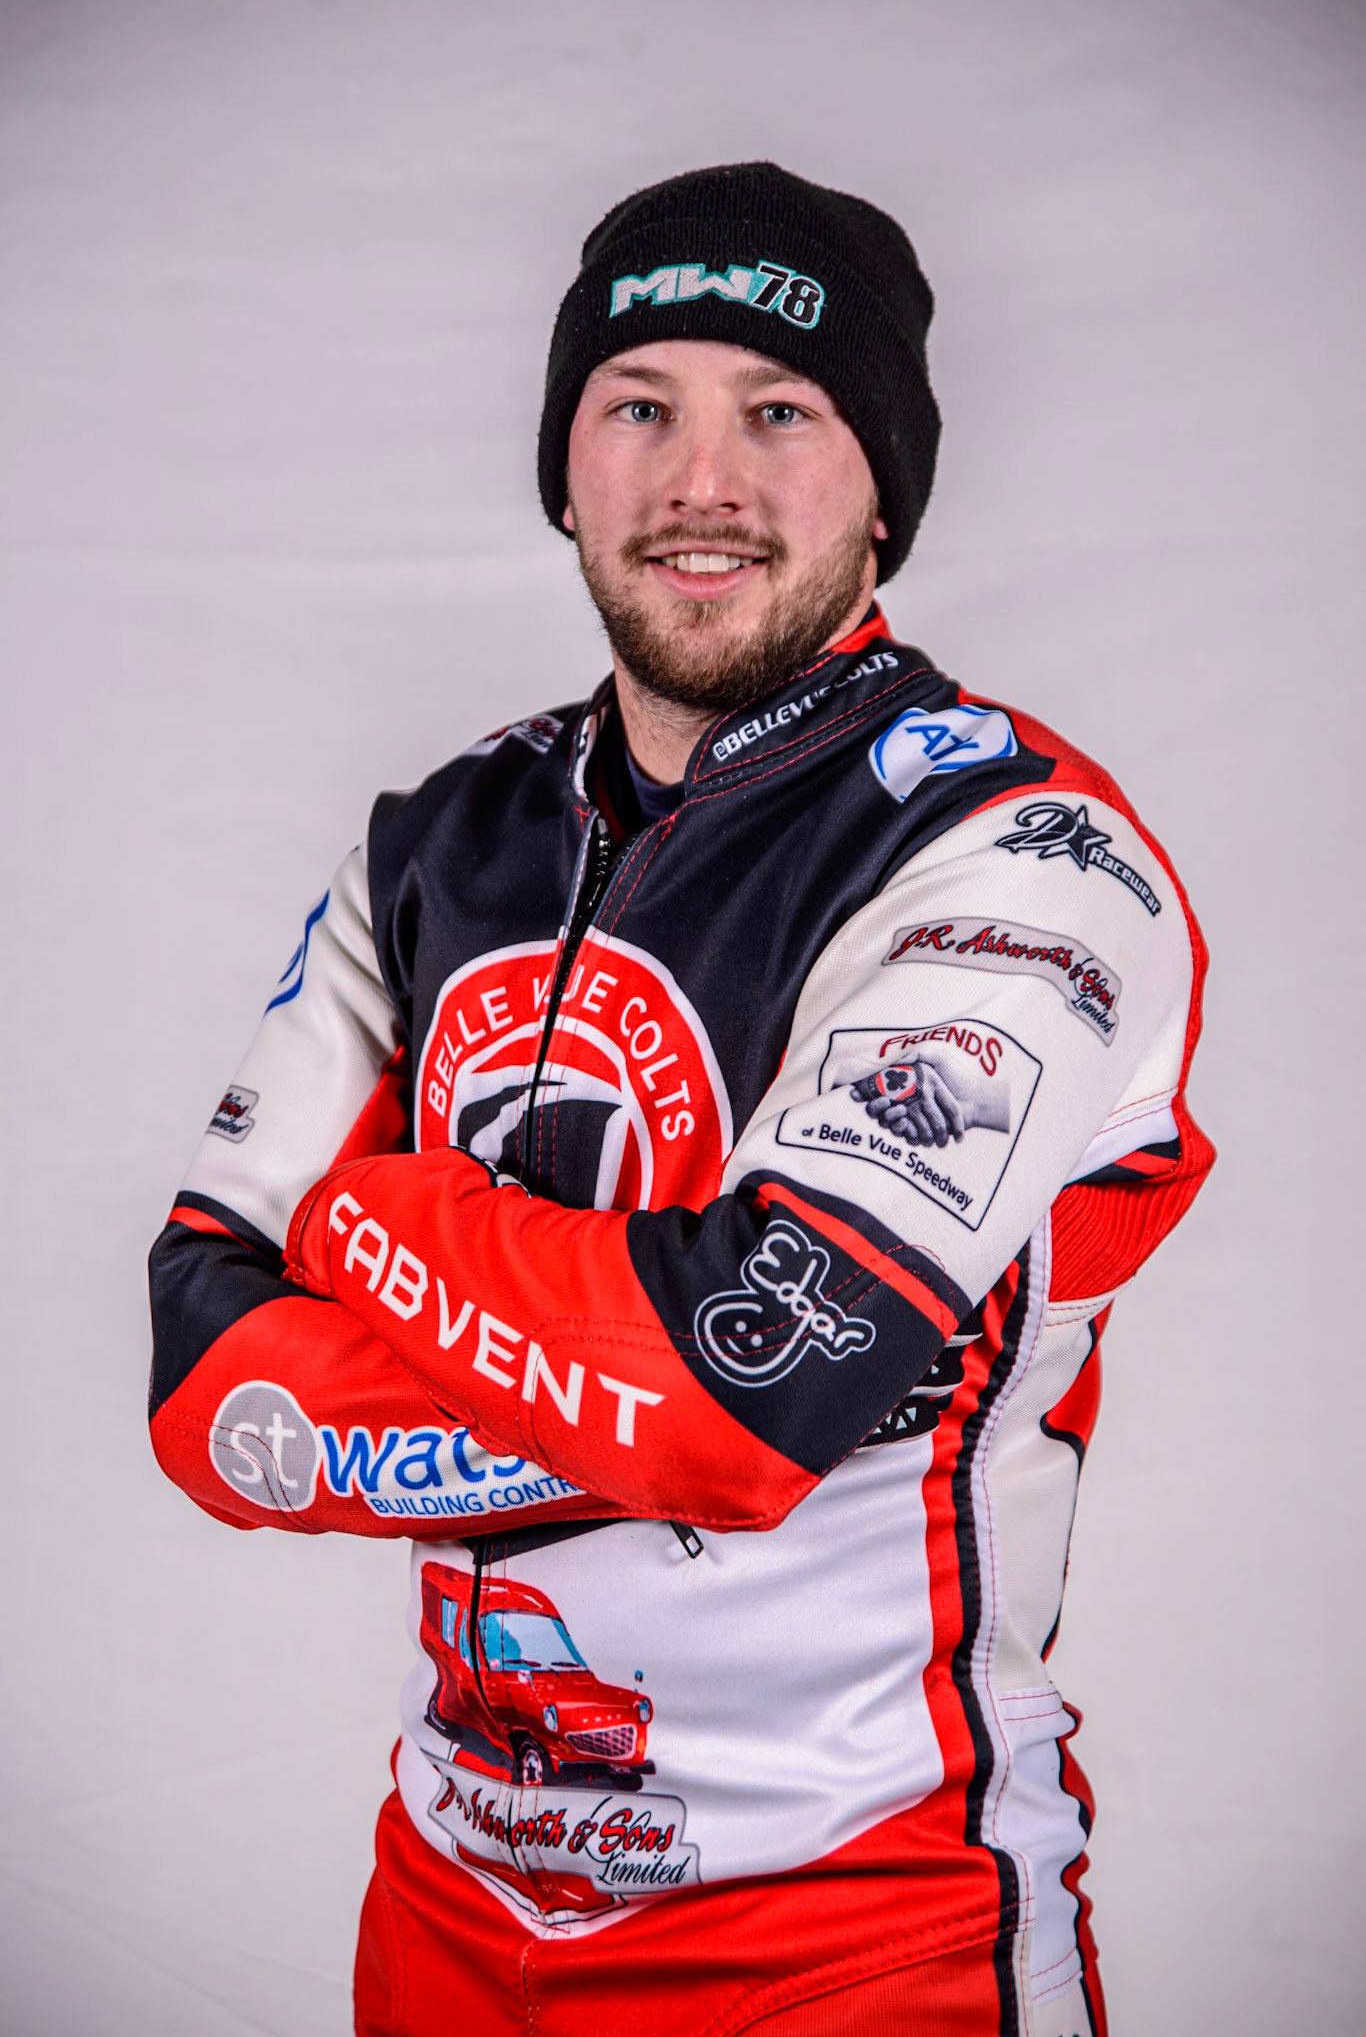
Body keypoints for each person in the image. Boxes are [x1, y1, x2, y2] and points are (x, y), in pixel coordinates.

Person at [148, 161, 1213, 2037]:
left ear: (883, 486)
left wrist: (362, 1217)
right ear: (564, 467)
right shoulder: (435, 838)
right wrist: (634, 1396)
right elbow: (199, 1376)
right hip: (447, 1909)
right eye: (638, 407)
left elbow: (741, 1386)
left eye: (779, 414)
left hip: (867, 1932)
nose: (698, 482)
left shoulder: (1023, 857)